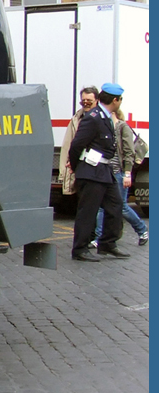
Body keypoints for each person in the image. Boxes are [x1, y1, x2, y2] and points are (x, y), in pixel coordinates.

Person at [68, 82, 128, 262]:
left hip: (104, 171)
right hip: (91, 171)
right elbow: (76, 145)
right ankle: (80, 249)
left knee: (115, 206)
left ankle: (107, 243)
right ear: (115, 100)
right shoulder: (93, 117)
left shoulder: (105, 116)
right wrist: (79, 168)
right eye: (120, 100)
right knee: (88, 212)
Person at [92, 97, 148, 247]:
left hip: (119, 173)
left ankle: (142, 230)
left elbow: (129, 152)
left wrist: (127, 174)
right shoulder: (104, 127)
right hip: (105, 171)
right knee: (102, 206)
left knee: (121, 206)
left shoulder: (122, 127)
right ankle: (98, 238)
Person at [57, 86, 98, 197]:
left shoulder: (101, 119)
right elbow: (67, 145)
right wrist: (64, 171)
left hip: (96, 169)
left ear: (97, 101)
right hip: (80, 168)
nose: (85, 103)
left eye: (89, 101)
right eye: (83, 101)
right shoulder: (76, 119)